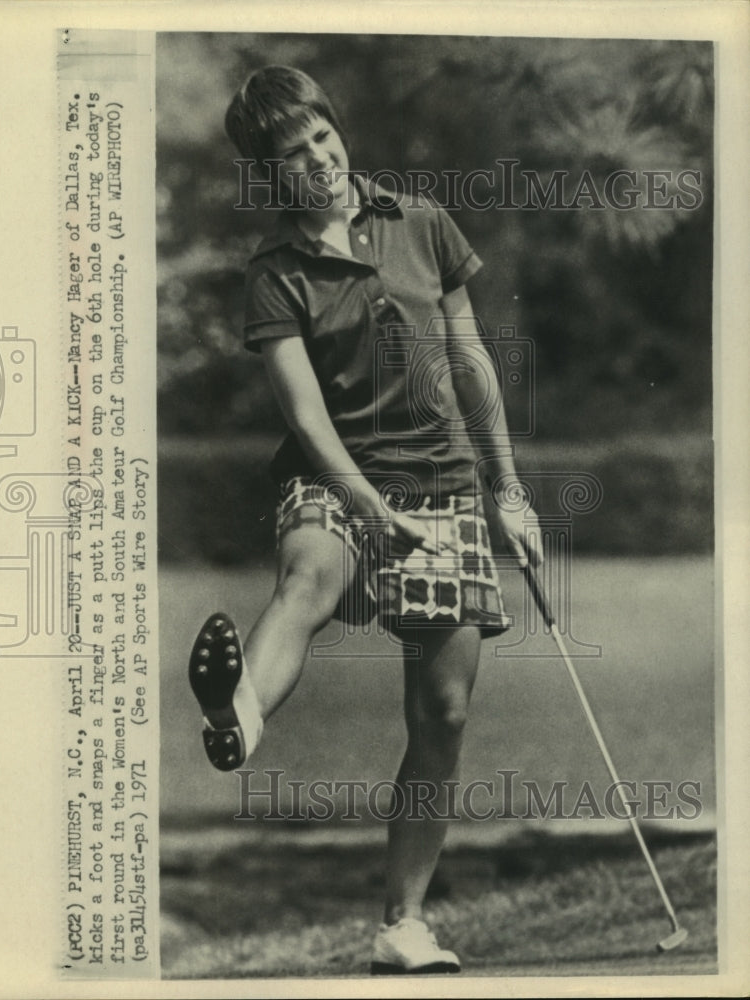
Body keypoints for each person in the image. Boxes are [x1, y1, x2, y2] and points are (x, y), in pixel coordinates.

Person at [188, 65, 543, 976]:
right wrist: (370, 508)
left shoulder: (422, 221)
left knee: (446, 710)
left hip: (445, 485)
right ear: (269, 175)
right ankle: (240, 712)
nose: (316, 159)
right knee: (309, 575)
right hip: (335, 481)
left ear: (336, 130)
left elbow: (472, 366)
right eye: (291, 154)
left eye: (320, 136)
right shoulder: (276, 275)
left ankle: (403, 925)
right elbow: (306, 417)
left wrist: (507, 491)